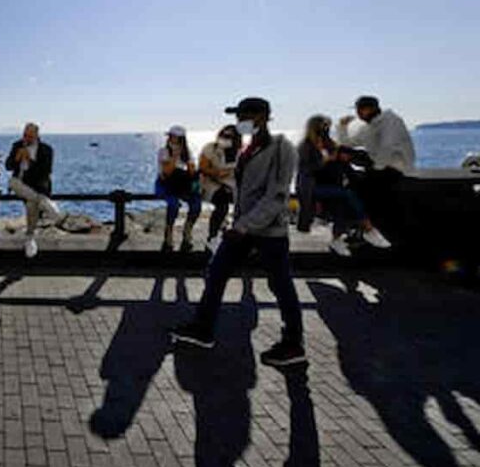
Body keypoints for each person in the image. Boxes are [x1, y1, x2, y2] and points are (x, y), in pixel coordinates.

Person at [171, 97, 306, 367]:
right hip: (243, 228)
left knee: (280, 284)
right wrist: (237, 222)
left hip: (269, 231)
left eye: (245, 116)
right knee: (216, 271)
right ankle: (203, 328)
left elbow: (276, 196)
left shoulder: (282, 148)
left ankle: (293, 344)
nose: (240, 122)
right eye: (238, 117)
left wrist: (243, 226)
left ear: (263, 117)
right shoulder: (248, 149)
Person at [297, 115, 391, 256]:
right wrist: (327, 159)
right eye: (323, 126)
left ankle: (336, 240)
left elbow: (342, 154)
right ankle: (368, 228)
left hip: (329, 185)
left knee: (340, 205)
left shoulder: (328, 143)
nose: (325, 129)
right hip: (312, 188)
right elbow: (307, 169)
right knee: (347, 194)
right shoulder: (305, 146)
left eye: (327, 126)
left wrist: (343, 157)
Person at [337, 96, 415, 233]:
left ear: (371, 109)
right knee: (341, 151)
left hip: (395, 166)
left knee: (361, 187)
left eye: (361, 110)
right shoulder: (370, 126)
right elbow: (349, 143)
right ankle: (355, 220)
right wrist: (342, 127)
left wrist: (375, 169)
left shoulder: (390, 120)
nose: (358, 113)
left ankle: (367, 223)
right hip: (377, 164)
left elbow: (388, 147)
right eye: (357, 110)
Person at [5, 123, 60, 258]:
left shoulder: (46, 149)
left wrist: (30, 160)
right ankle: (44, 202)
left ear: (36, 135)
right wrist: (17, 158)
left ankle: (30, 239)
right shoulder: (17, 145)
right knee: (12, 182)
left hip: (37, 186)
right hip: (20, 185)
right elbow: (8, 166)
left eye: (29, 136)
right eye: (25, 135)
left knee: (31, 204)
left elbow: (45, 172)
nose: (26, 138)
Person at [156, 126, 202, 253]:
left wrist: (190, 164)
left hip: (182, 185)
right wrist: (175, 156)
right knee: (173, 204)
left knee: (196, 204)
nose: (171, 139)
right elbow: (167, 172)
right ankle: (169, 233)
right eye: (170, 137)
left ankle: (187, 231)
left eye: (174, 137)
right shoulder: (164, 151)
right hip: (166, 184)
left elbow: (192, 172)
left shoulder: (188, 153)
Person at [199, 125, 239, 253]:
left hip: (232, 185)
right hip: (212, 184)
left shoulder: (240, 152)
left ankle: (240, 236)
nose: (225, 139)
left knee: (247, 203)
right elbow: (203, 168)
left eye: (229, 136)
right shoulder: (210, 148)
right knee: (222, 204)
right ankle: (212, 237)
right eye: (223, 135)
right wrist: (217, 173)